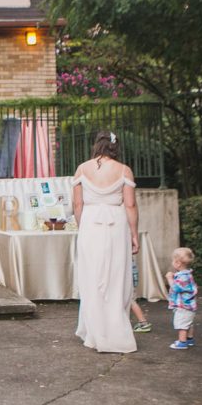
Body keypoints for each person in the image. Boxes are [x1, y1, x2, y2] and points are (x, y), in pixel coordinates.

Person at [71, 131, 139, 354]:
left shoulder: (82, 169)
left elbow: (77, 205)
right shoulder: (124, 170)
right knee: (115, 278)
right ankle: (115, 329)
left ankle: (94, 331)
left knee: (91, 277)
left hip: (90, 224)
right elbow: (130, 205)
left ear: (96, 145)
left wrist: (82, 227)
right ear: (115, 147)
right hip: (115, 224)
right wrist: (134, 234)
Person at [165, 247, 197, 350]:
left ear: (178, 263)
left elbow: (175, 288)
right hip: (189, 305)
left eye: (173, 260)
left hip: (183, 306)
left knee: (182, 324)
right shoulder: (187, 274)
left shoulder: (182, 277)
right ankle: (189, 339)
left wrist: (170, 278)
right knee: (189, 323)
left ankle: (182, 342)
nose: (172, 262)